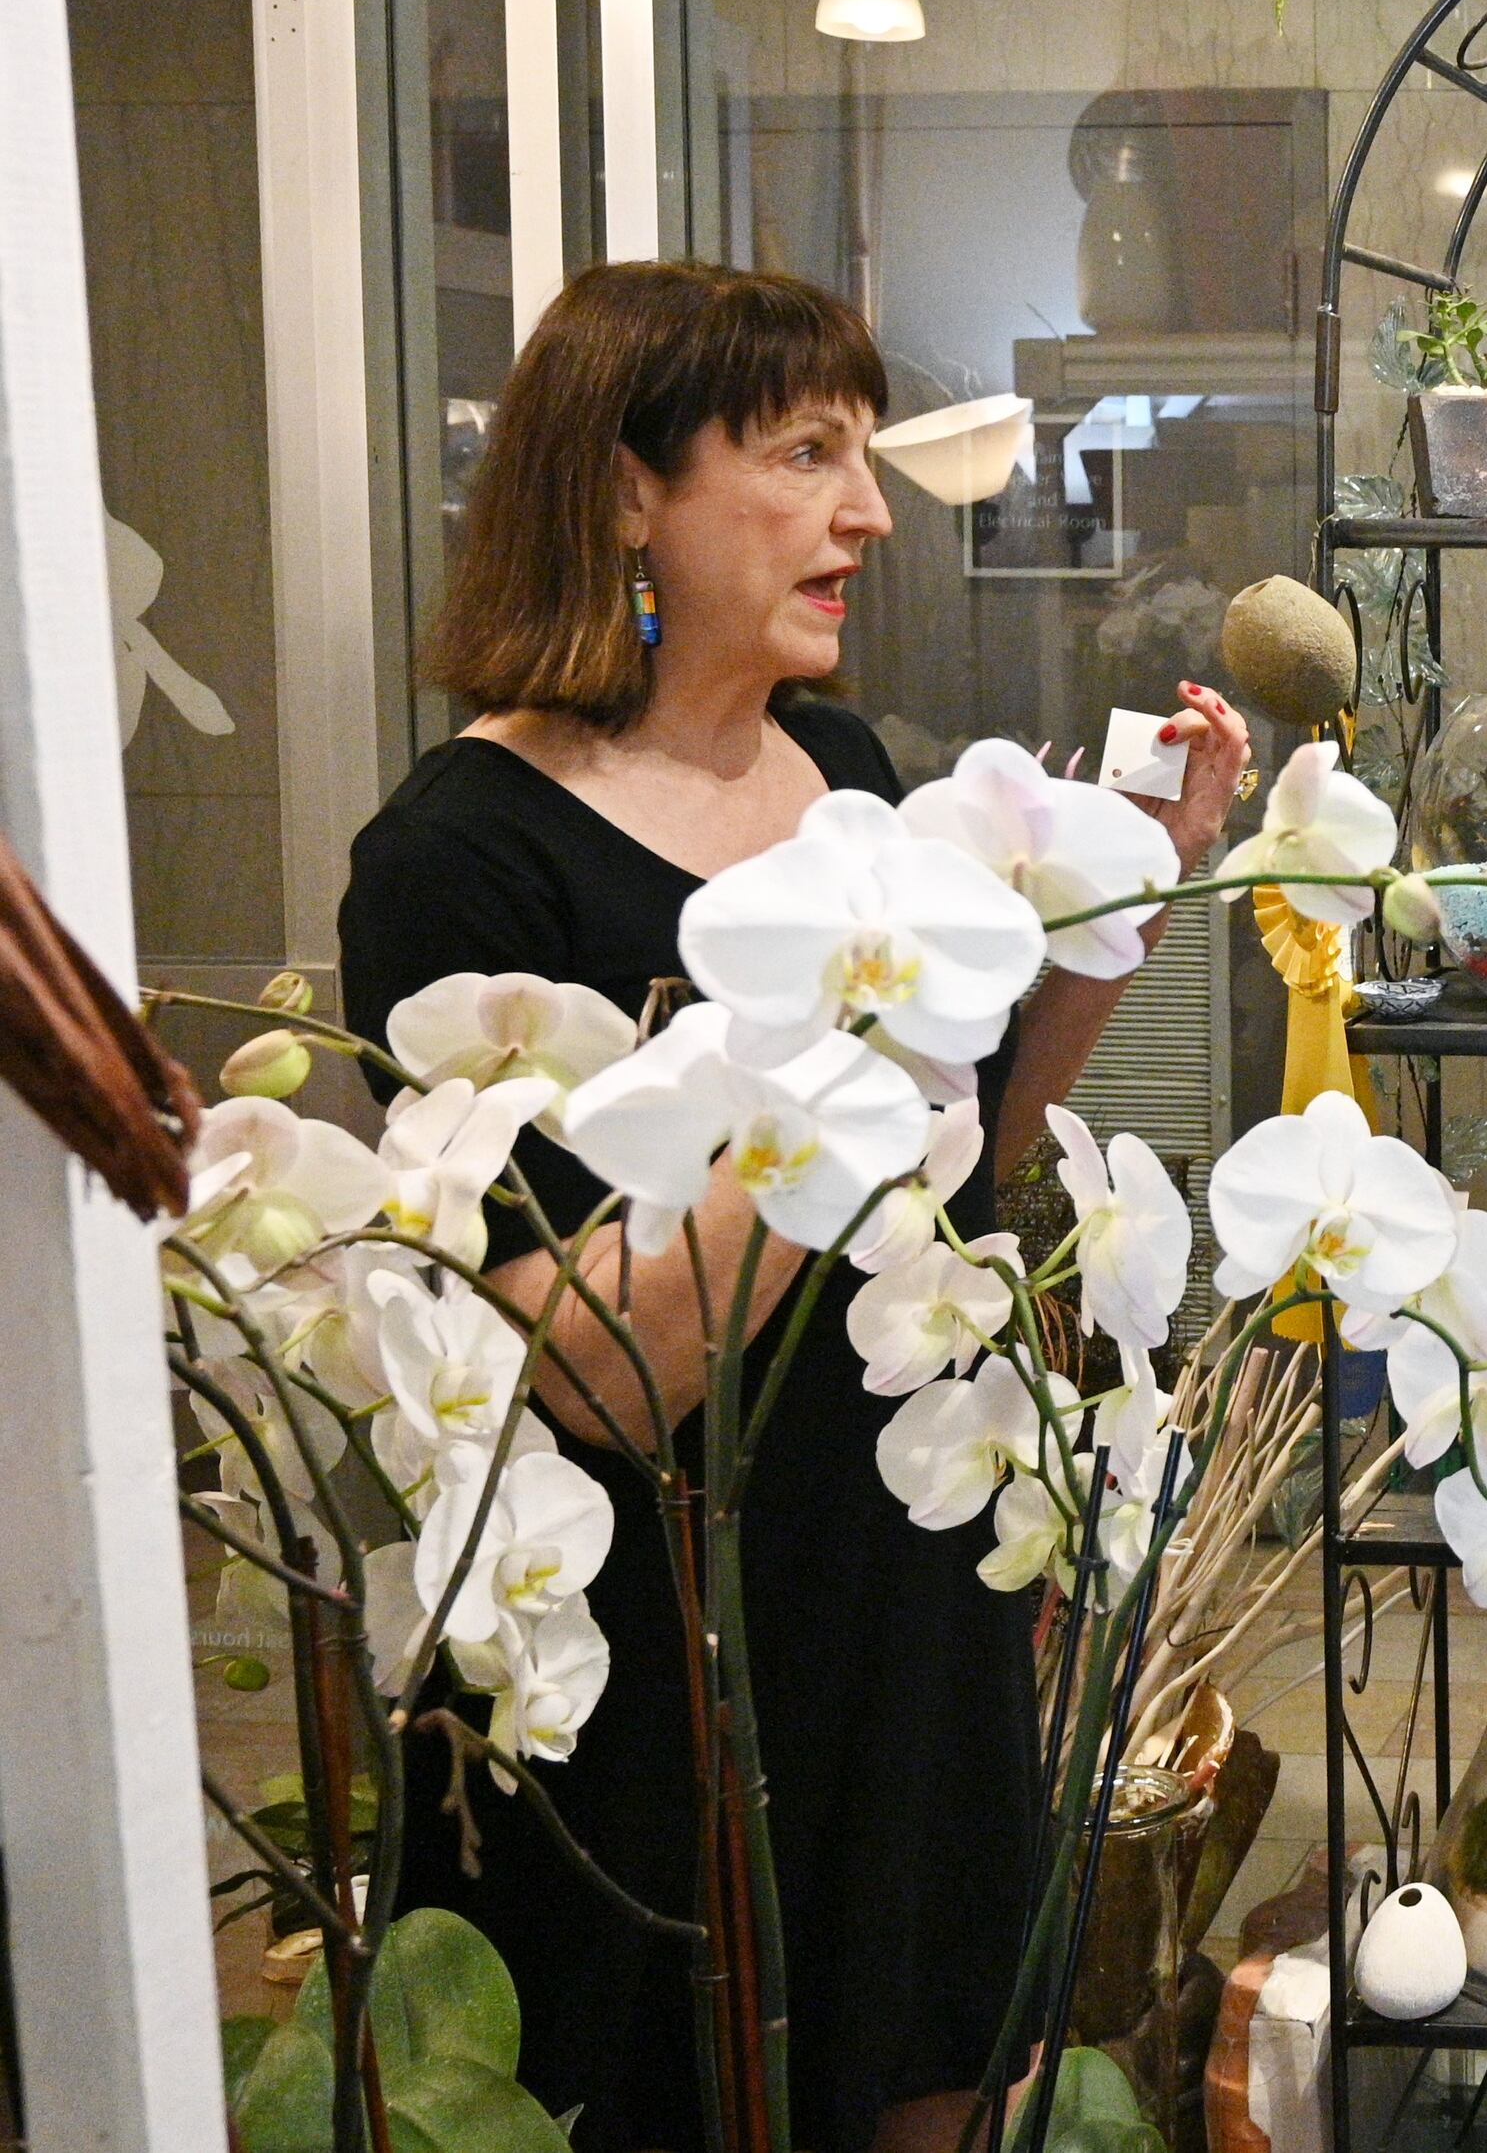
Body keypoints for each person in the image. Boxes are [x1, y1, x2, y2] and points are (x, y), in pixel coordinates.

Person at [337, 261, 1251, 2153]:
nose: (868, 511)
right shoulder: (456, 863)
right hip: (661, 1647)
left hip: (894, 1568)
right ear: (621, 493)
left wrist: (1111, 906)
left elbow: (964, 1166)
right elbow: (582, 1374)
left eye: (863, 453)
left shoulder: (840, 777)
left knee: (935, 2058)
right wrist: (820, 1069)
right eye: (806, 453)